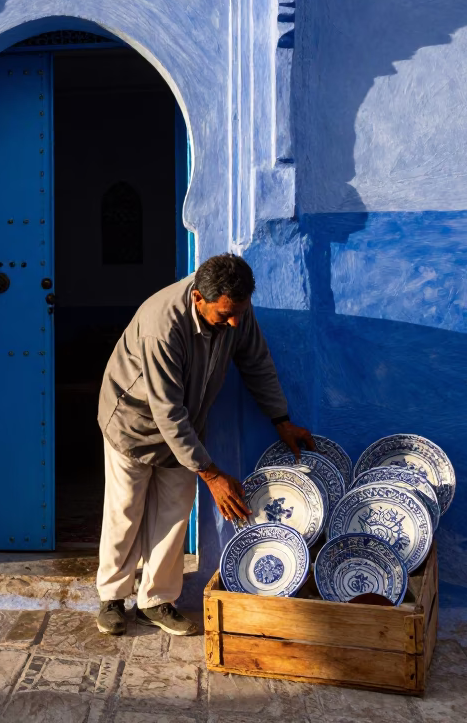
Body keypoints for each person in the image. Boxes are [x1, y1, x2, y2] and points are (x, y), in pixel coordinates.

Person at [95, 253, 314, 636]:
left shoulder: (236, 312)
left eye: (239, 313)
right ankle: (112, 597)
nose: (233, 323)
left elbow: (256, 362)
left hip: (185, 427)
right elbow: (166, 411)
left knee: (174, 512)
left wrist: (281, 420)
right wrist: (212, 475)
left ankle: (155, 601)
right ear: (198, 298)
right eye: (225, 315)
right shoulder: (162, 325)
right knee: (125, 509)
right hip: (133, 421)